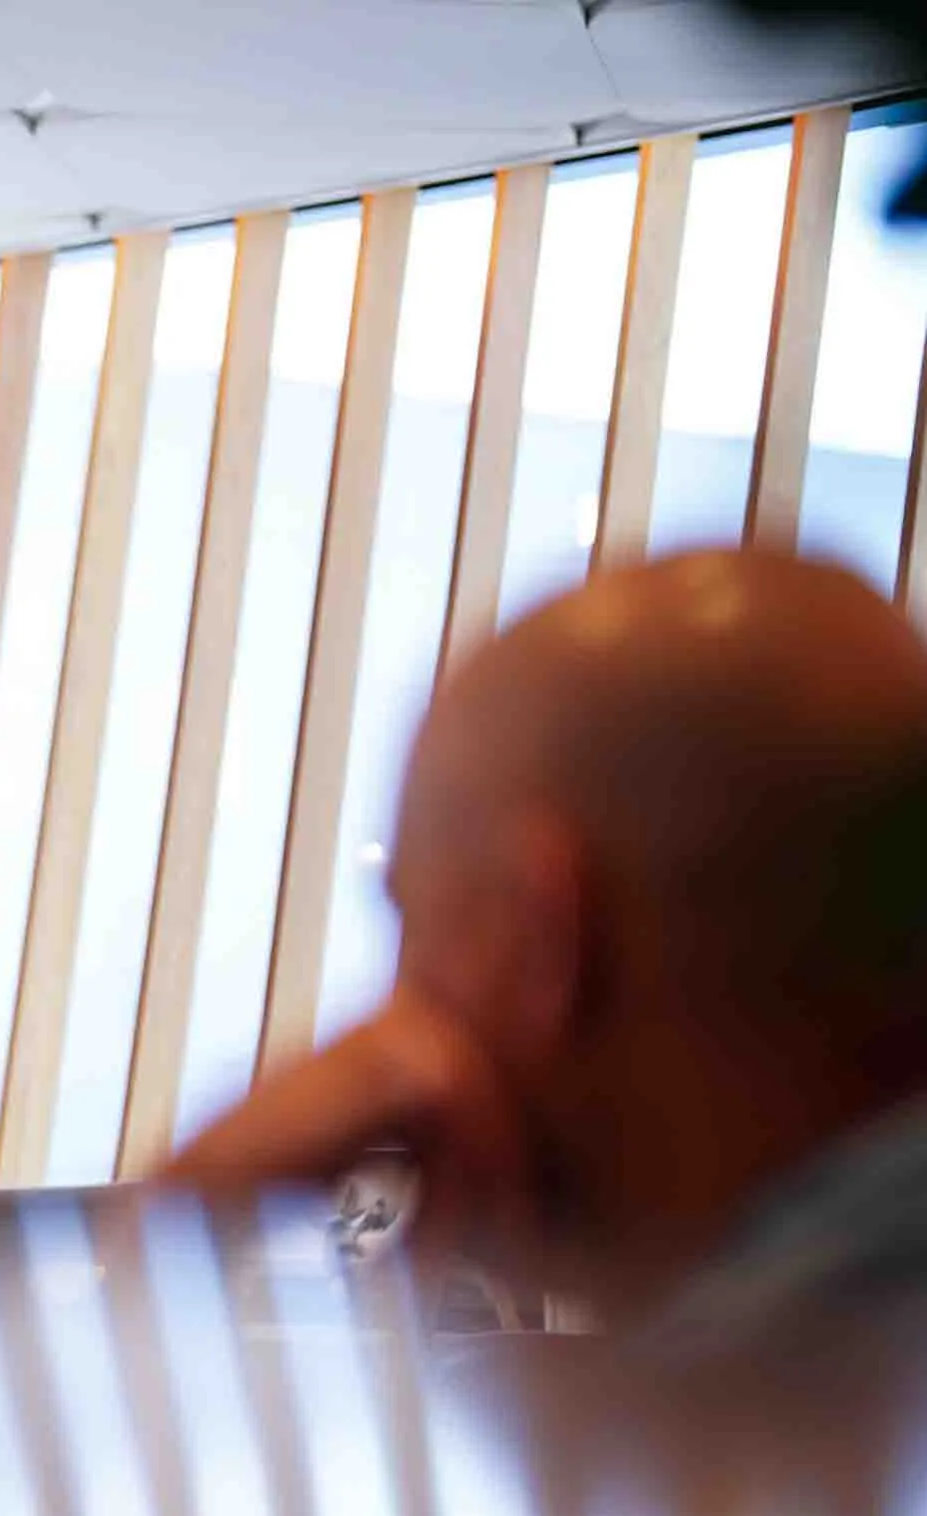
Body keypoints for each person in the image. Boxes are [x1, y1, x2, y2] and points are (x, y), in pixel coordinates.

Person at [163, 550, 927, 1355]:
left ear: (536, 937)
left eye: (415, 922)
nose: (395, 1005)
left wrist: (187, 1233)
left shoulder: (777, 1386)